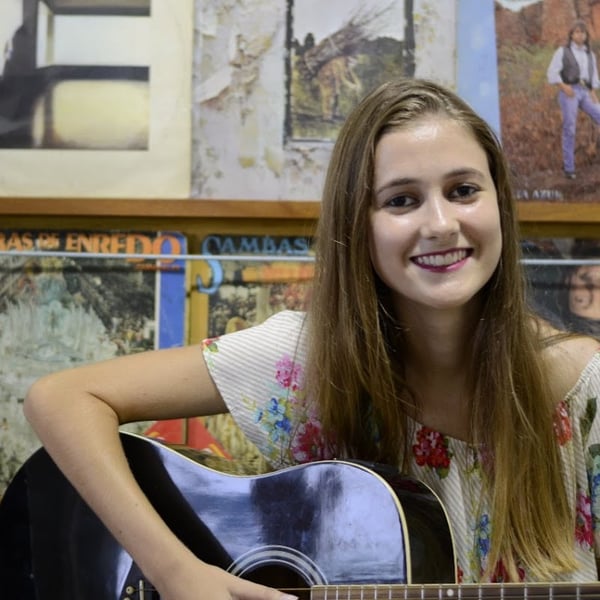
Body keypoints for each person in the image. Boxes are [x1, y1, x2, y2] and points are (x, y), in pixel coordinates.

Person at [22, 78, 600, 598]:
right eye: (401, 200)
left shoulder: (585, 392)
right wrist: (177, 572)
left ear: (500, 203)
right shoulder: (305, 361)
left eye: (463, 190)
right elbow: (61, 398)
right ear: (357, 225)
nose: (441, 224)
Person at [547, 19, 600, 179]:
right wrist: (564, 87)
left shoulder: (590, 54)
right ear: (571, 34)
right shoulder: (563, 51)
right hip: (569, 91)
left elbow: (593, 76)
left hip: (585, 91)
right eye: (577, 32)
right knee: (569, 128)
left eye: (583, 32)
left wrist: (593, 92)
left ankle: (594, 151)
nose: (580, 35)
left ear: (586, 35)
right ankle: (569, 169)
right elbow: (552, 72)